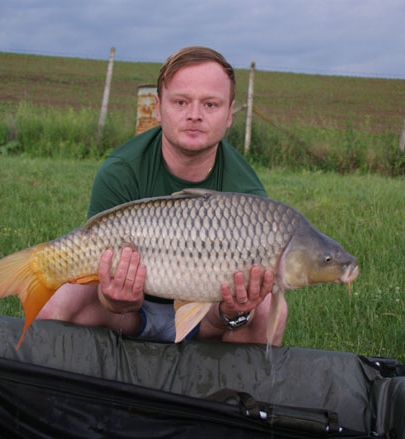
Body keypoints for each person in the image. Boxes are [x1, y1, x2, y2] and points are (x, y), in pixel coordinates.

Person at [37, 46, 288, 346]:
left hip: (208, 316)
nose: (194, 115)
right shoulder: (122, 170)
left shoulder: (246, 193)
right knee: (54, 305)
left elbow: (235, 310)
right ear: (158, 107)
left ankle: (229, 392)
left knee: (269, 311)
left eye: (210, 105)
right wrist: (116, 300)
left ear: (230, 114)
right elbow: (101, 277)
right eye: (180, 102)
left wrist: (232, 312)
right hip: (128, 313)